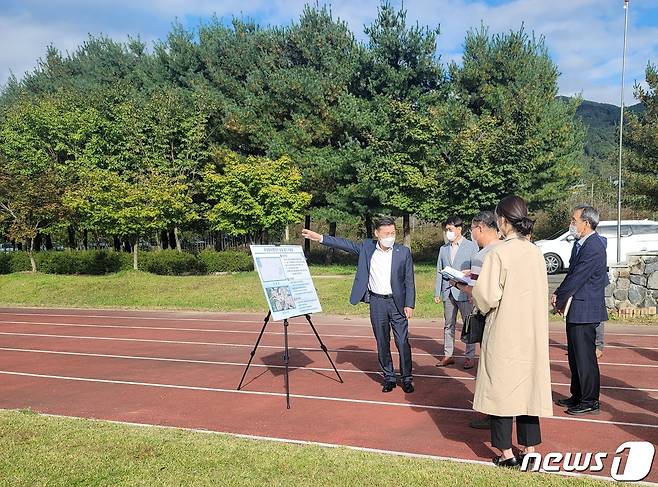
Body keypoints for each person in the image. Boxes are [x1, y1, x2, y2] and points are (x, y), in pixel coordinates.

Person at [454, 195, 552, 468]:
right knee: (528, 390)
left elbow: (487, 297)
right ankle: (530, 448)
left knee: (501, 391)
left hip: (505, 330)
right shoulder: (535, 252)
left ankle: (506, 453)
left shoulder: (499, 253)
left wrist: (468, 289)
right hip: (531, 330)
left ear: (504, 221)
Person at [302, 217, 416, 393]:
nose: (390, 237)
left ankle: (407, 378)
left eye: (393, 233)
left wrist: (409, 304)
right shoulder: (367, 247)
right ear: (377, 233)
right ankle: (389, 377)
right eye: (386, 234)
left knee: (402, 341)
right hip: (377, 302)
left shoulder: (403, 252)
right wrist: (320, 238)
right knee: (382, 342)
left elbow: (409, 279)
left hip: (397, 303)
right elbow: (345, 244)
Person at [552, 205, 608, 415]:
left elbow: (579, 277)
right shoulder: (581, 244)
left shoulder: (593, 246)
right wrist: (559, 293)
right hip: (576, 308)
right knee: (575, 356)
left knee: (585, 357)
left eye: (574, 220)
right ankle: (578, 394)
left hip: (586, 309)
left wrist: (560, 298)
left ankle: (590, 400)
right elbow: (571, 274)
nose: (572, 224)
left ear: (586, 222)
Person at [465, 211, 501, 430]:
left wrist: (463, 285)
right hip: (499, 315)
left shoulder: (488, 254)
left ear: (479, 228)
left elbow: (481, 290)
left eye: (472, 229)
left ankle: (494, 414)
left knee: (490, 368)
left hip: (488, 316)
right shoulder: (502, 250)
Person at [434, 216, 479, 369]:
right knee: (448, 325)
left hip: (464, 293)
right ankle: (448, 355)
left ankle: (469, 356)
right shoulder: (443, 248)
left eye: (450, 229)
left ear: (459, 229)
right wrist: (437, 293)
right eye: (446, 230)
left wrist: (472, 291)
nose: (448, 233)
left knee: (468, 324)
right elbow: (439, 271)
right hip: (448, 292)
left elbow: (475, 270)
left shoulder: (471, 247)